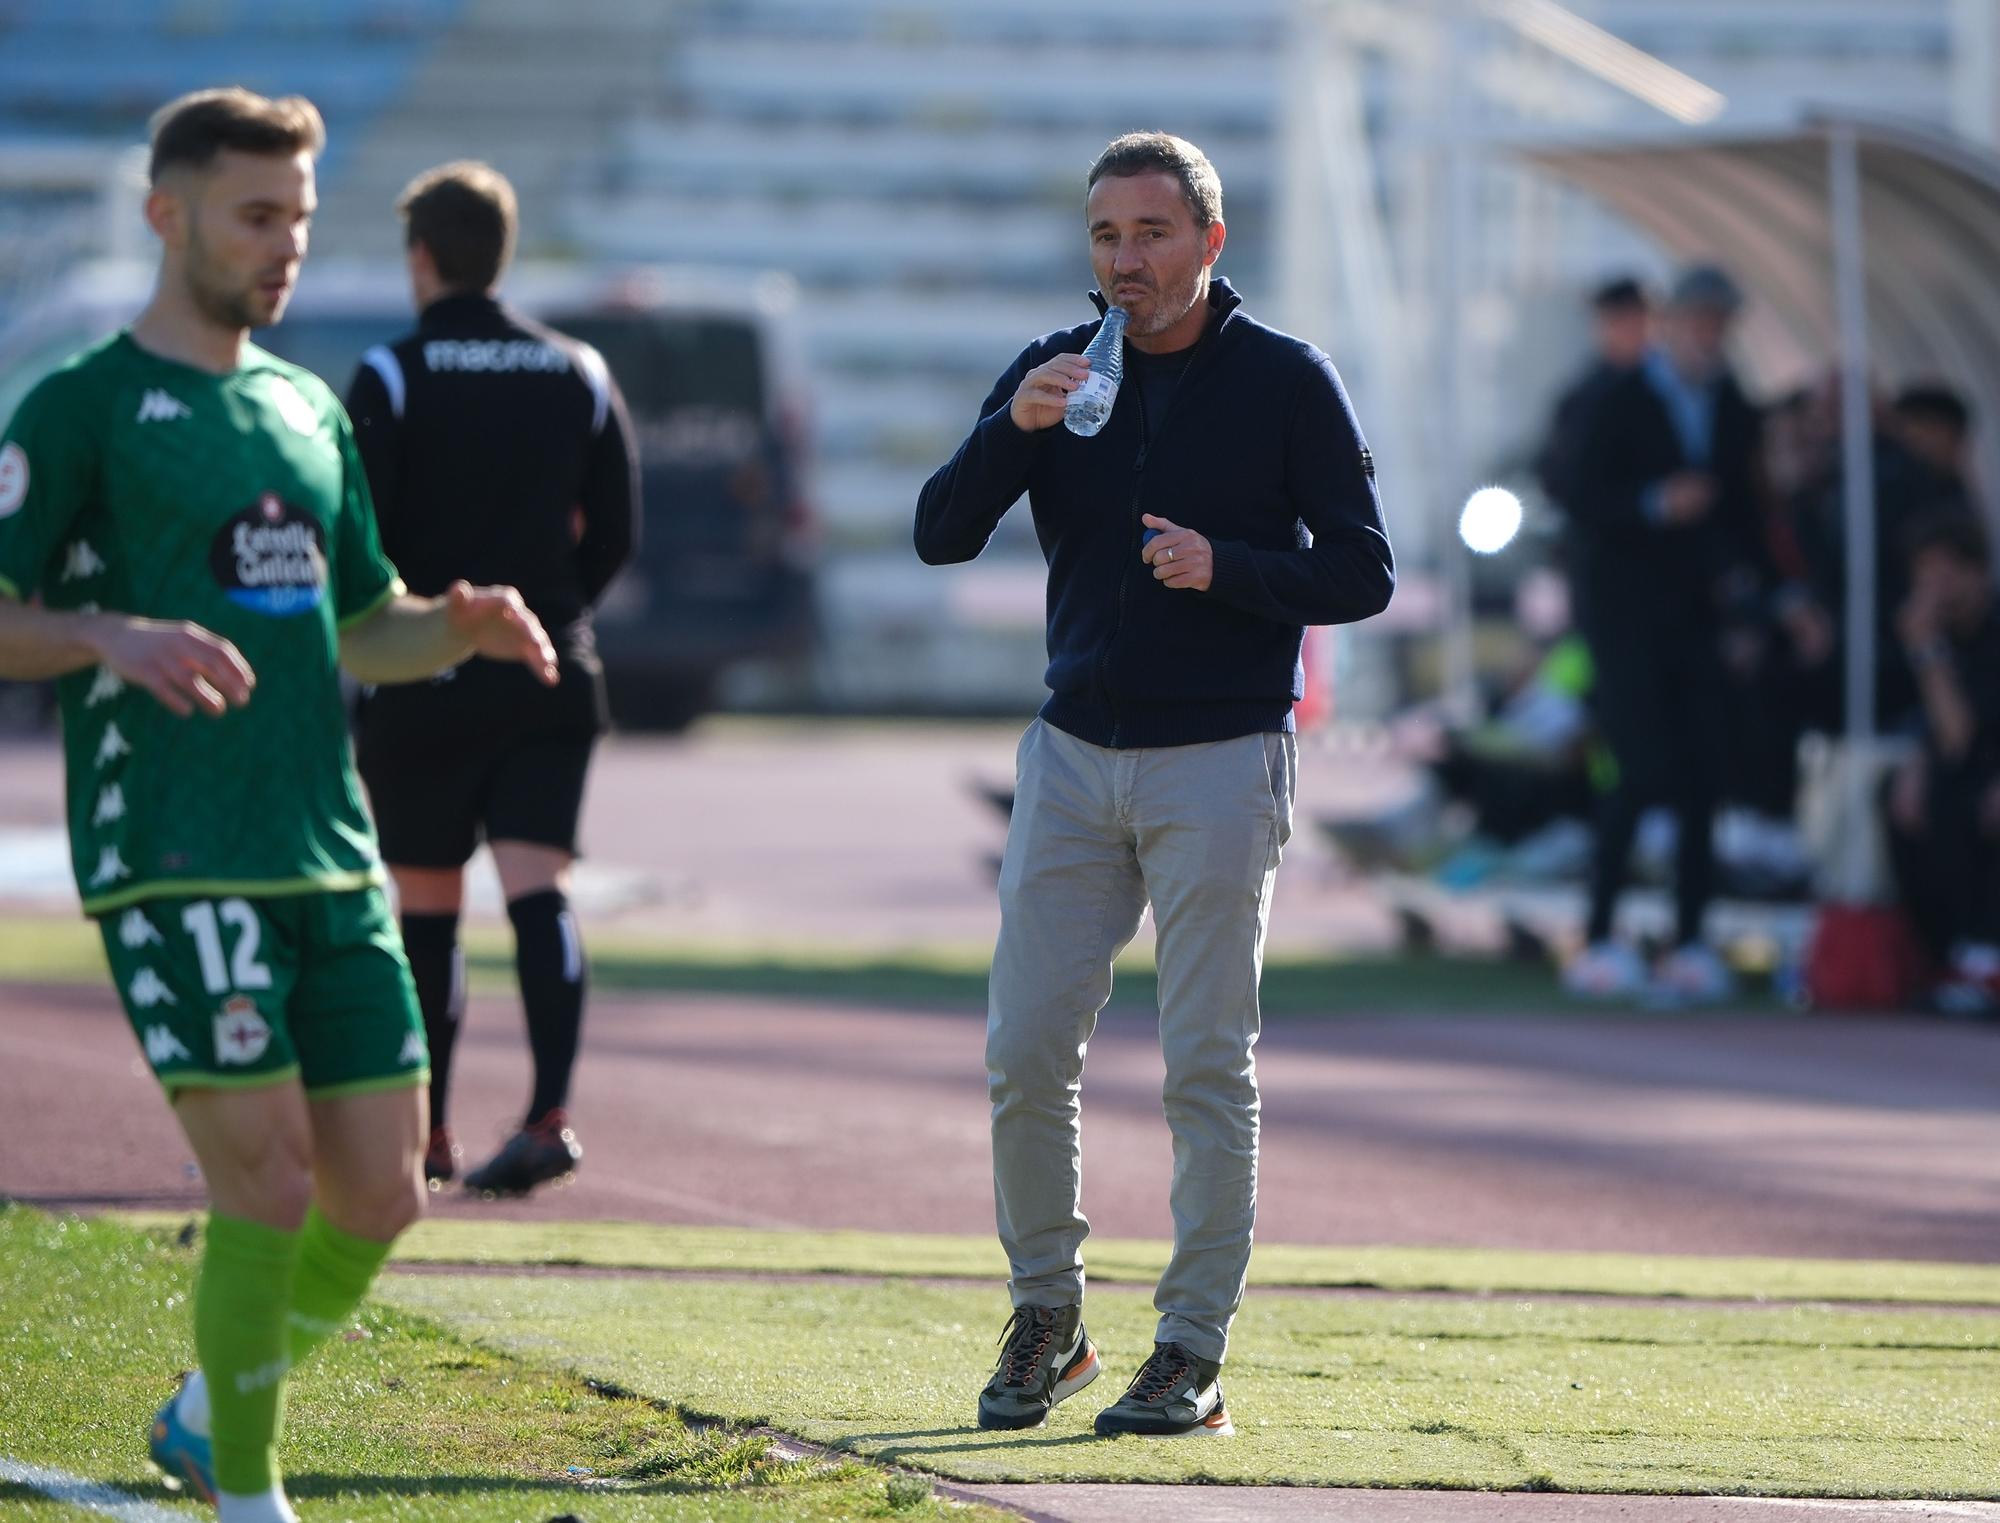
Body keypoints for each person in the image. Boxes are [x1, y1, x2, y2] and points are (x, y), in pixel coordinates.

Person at [0, 89, 558, 1523]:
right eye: (258, 216)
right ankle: (250, 1496)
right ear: (166, 213)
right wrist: (108, 633)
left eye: (301, 219)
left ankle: (201, 1418)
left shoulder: (308, 405)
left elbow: (357, 620)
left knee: (378, 1196)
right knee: (262, 1175)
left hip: (330, 850)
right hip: (174, 850)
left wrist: (454, 621)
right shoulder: (79, 406)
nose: (285, 246)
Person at [915, 132, 1393, 1439]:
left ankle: (1190, 1346)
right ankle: (1050, 1316)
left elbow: (1363, 572)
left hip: (1221, 756)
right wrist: (1005, 430)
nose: (1127, 259)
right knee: (1023, 1048)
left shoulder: (1288, 380)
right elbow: (939, 533)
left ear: (1210, 241)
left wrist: (1227, 567)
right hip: (1073, 754)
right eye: (1107, 237)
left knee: (1203, 1061)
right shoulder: (1056, 372)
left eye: (1152, 234)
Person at [345, 162, 637, 1197]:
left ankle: (427, 1132)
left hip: (425, 668)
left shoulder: (389, 372)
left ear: (419, 254)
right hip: (550, 663)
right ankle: (548, 1109)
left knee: (425, 903)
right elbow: (616, 530)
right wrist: (553, 610)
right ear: (501, 250)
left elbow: (357, 537)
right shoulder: (579, 369)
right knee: (537, 888)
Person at [1555, 264, 1772, 1002]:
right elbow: (1576, 493)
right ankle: (1600, 935)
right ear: (1671, 323)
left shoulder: (1736, 405)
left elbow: (1745, 515)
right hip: (1624, 617)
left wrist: (1749, 608)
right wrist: (1653, 502)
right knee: (1640, 769)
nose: (1709, 335)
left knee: (1702, 778)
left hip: (1699, 620)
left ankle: (1688, 939)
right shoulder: (1615, 396)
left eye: (1720, 322)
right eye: (1699, 320)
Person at [1884, 514, 2000, 1013]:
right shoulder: (1940, 635)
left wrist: (1925, 647)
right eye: (1924, 577)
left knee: (1970, 799)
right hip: (1974, 767)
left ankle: (1984, 952)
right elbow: (1949, 736)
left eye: (1946, 574)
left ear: (1977, 572)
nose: (1936, 590)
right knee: (1907, 796)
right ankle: (1946, 955)